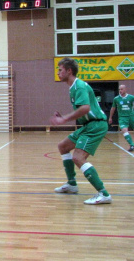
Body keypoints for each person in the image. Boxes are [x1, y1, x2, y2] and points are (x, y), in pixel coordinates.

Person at [50, 57, 111, 205]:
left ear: (69, 71)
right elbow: (83, 110)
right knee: (63, 146)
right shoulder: (73, 88)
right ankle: (71, 184)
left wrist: (64, 119)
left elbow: (85, 108)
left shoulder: (79, 86)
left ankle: (103, 194)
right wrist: (64, 116)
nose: (58, 73)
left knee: (78, 157)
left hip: (95, 125)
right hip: (88, 126)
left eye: (60, 70)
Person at [108, 84, 134, 152]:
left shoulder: (131, 97)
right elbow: (113, 108)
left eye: (122, 89)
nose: (120, 91)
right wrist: (110, 117)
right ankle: (132, 145)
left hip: (131, 116)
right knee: (124, 130)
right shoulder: (116, 99)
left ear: (125, 89)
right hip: (122, 118)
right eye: (119, 89)